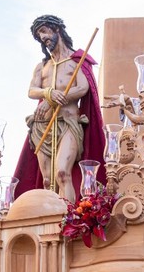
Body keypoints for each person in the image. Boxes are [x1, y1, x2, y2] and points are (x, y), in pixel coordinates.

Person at [12, 14, 105, 203]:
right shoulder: (42, 66)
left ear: (57, 30)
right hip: (42, 125)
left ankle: (69, 220)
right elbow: (32, 90)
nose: (43, 37)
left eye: (45, 31)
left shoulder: (77, 60)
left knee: (62, 173)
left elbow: (82, 88)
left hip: (69, 122)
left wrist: (55, 100)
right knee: (47, 181)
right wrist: (48, 93)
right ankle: (51, 223)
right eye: (39, 35)